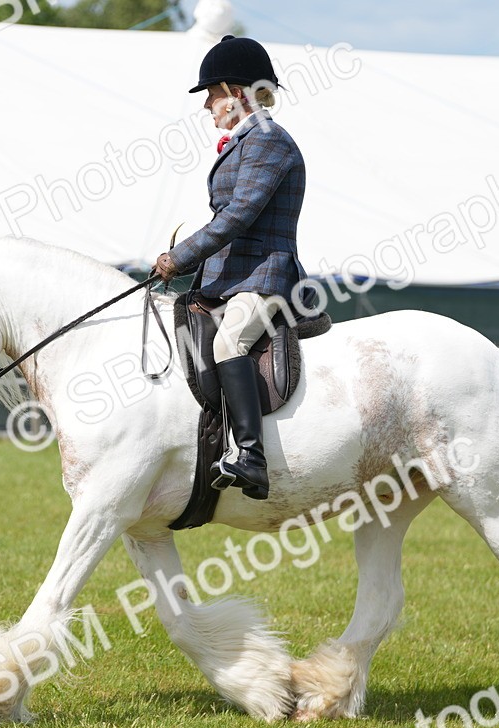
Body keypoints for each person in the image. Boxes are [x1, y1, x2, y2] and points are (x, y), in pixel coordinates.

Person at [154, 35, 313, 502]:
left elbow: (238, 215)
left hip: (265, 275)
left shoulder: (269, 141)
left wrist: (179, 257)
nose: (207, 105)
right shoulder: (245, 142)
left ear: (237, 92)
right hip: (231, 275)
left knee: (229, 342)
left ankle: (251, 457)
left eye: (212, 94)